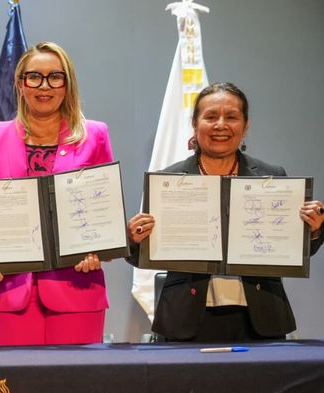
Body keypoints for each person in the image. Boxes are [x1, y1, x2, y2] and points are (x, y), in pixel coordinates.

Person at [128, 82, 324, 341]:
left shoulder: (272, 177)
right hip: (185, 318)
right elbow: (143, 254)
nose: (221, 125)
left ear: (245, 125)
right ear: (195, 123)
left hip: (261, 317)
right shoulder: (168, 180)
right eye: (210, 117)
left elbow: (296, 250)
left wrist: (313, 229)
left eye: (231, 117)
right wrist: (135, 239)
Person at [0, 42, 114, 346]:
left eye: (55, 77)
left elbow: (105, 208)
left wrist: (97, 250)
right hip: (10, 290)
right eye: (34, 77)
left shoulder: (95, 136)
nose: (44, 86)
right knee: (16, 377)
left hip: (77, 287)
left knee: (76, 376)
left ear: (67, 84)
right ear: (20, 84)